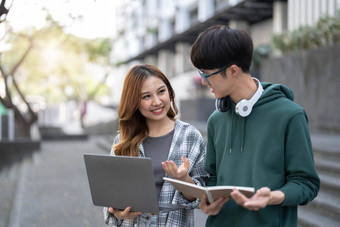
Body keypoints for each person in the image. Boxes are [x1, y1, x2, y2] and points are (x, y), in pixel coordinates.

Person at [190, 25, 320, 226]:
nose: (204, 81)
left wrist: (273, 197)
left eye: (207, 74)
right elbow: (213, 178)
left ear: (233, 70)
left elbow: (306, 184)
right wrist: (207, 202)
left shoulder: (290, 115)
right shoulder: (216, 119)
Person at [103, 64, 209, 226]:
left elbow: (201, 198)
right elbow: (110, 195)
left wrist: (183, 179)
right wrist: (118, 213)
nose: (157, 101)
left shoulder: (190, 136)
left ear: (169, 91)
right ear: (134, 102)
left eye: (161, 91)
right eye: (146, 96)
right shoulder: (123, 140)